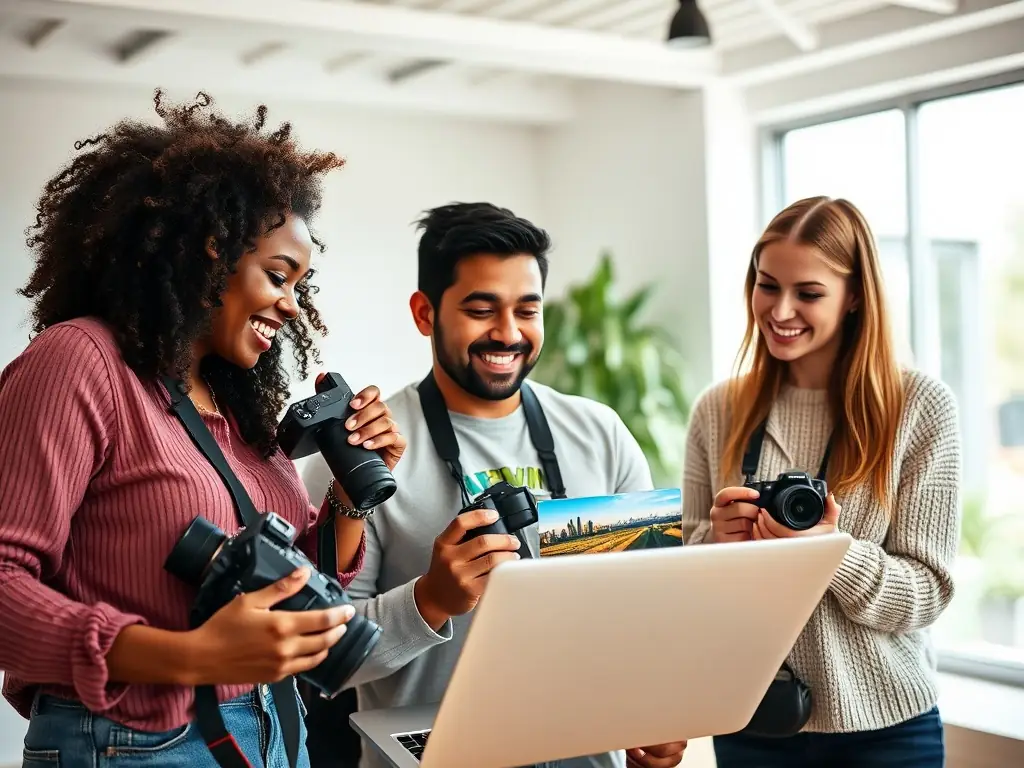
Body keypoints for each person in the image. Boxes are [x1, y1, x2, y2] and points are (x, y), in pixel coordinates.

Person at [0, 91, 406, 768]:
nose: (292, 306)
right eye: (279, 276)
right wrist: (190, 654)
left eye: (302, 285)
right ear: (211, 252)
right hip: (138, 743)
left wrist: (348, 495)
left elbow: (286, 581)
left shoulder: (234, 401)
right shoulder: (80, 363)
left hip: (276, 733)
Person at [301, 202, 687, 768]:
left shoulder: (601, 433)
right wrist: (430, 600)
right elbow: (323, 655)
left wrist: (656, 711)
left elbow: (647, 611)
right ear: (424, 313)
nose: (507, 333)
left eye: (526, 310)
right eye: (482, 310)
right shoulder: (363, 455)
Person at [680, 196, 962, 768]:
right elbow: (684, 580)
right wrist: (717, 545)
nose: (780, 310)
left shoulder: (919, 408)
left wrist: (832, 553)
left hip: (888, 730)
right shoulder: (718, 411)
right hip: (752, 722)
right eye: (767, 285)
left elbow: (928, 592)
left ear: (855, 295)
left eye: (808, 293)